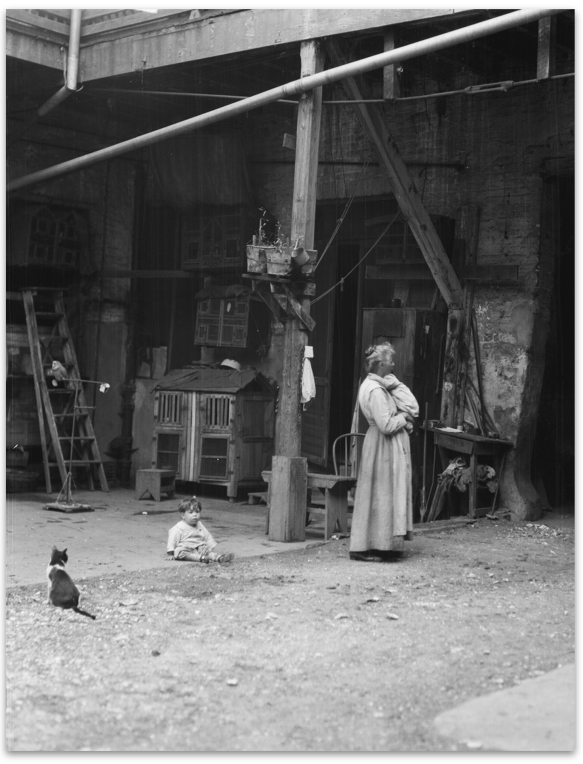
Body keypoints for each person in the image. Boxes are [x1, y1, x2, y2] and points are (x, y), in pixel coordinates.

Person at [349, 342, 419, 562]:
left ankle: (382, 545)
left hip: (380, 445)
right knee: (380, 495)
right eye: (390, 361)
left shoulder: (376, 385)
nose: (394, 364)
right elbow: (386, 425)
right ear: (380, 364)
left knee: (381, 496)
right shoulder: (375, 390)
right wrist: (404, 418)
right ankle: (367, 547)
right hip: (382, 446)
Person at [167, 496, 235, 564]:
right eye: (191, 512)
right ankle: (200, 558)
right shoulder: (179, 527)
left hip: (199, 547)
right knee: (179, 552)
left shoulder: (199, 524)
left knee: (207, 552)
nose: (195, 515)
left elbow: (207, 535)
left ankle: (218, 557)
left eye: (197, 512)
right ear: (183, 515)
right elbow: (172, 539)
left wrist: (211, 546)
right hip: (186, 548)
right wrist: (170, 553)